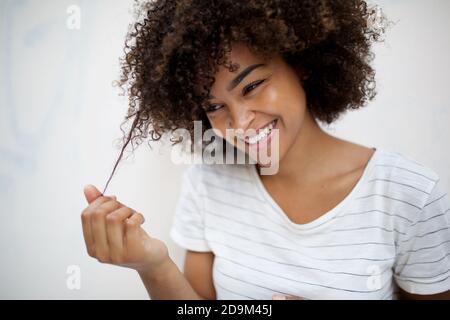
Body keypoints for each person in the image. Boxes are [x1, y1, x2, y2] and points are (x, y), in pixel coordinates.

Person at [81, 0, 450, 299]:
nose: (240, 123)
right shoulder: (208, 183)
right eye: (214, 107)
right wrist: (153, 265)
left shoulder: (409, 195)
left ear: (300, 63)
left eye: (252, 85)